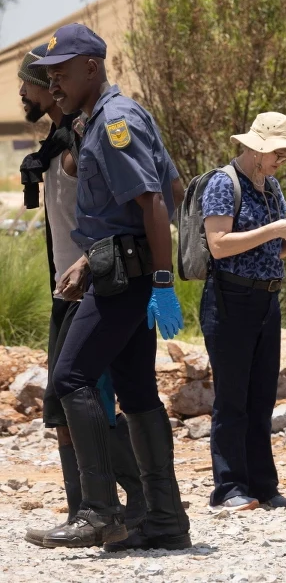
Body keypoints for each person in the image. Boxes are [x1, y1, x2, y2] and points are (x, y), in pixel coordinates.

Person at [32, 23, 191, 550]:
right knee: (137, 389)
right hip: (117, 267)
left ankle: (99, 511)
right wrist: (92, 258)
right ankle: (165, 520)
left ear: (91, 68)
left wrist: (162, 282)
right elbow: (170, 184)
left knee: (71, 378)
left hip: (125, 277)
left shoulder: (115, 122)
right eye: (49, 74)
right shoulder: (105, 118)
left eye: (62, 71)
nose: (53, 81)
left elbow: (156, 202)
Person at [17, 44, 146, 548]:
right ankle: (90, 511)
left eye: (29, 84)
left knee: (85, 394)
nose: (24, 94)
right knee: (65, 406)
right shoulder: (54, 143)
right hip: (67, 287)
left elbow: (147, 200)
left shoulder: (84, 135)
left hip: (94, 283)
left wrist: (156, 280)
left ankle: (120, 509)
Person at [200, 113, 286, 511]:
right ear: (256, 148)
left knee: (262, 396)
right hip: (230, 299)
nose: (282, 160)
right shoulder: (222, 183)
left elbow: (272, 251)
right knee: (232, 398)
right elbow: (220, 244)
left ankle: (262, 485)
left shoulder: (271, 186)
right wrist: (274, 229)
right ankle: (229, 488)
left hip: (266, 299)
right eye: (278, 153)